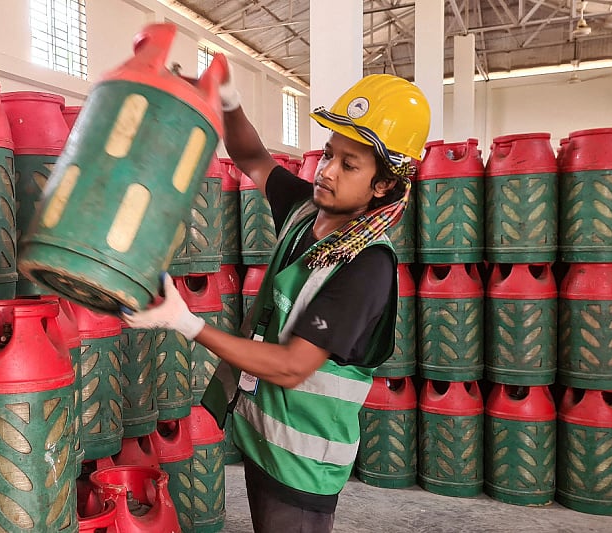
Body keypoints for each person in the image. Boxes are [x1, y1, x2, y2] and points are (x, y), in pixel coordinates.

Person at [122, 70, 430, 532]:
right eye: (329, 154)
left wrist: (188, 324)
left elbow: (292, 365)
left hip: (304, 462)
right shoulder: (309, 208)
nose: (326, 171)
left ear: (384, 184)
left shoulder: (367, 266)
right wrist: (228, 100)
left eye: (350, 165)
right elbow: (252, 158)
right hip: (264, 437)